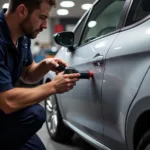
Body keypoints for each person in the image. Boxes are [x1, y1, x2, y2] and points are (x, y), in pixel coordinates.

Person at [0, 0, 80, 150]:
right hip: (3, 107)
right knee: (35, 114)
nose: (45, 25)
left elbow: (27, 74)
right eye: (42, 17)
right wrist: (54, 86)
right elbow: (7, 102)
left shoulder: (22, 37)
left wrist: (45, 65)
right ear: (22, 11)